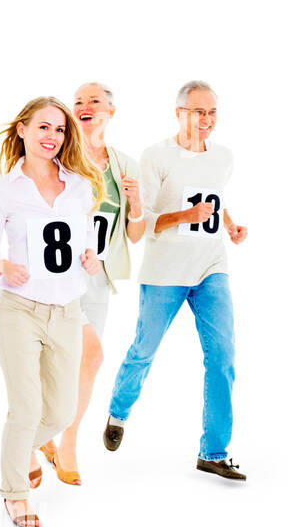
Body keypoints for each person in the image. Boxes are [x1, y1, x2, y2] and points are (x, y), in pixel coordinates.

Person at [103, 81, 247, 480]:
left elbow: (213, 198)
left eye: (212, 113)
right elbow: (143, 220)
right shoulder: (156, 156)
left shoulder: (224, 157)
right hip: (165, 273)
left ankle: (213, 452)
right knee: (143, 350)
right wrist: (185, 217)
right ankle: (118, 412)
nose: (207, 120)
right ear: (179, 113)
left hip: (210, 268)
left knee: (222, 357)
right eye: (198, 112)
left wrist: (231, 226)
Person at [0, 97, 103, 527]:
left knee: (62, 412)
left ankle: (19, 449)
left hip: (67, 309)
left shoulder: (79, 186)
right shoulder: (6, 189)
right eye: (44, 128)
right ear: (22, 131)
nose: (53, 137)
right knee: (26, 407)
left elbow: (86, 241)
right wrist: (1, 265)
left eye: (60, 130)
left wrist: (91, 257)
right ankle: (15, 493)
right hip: (20, 310)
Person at [35, 83, 145, 485]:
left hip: (98, 281)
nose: (84, 107)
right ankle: (52, 439)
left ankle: (58, 440)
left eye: (94, 101)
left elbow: (134, 236)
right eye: (78, 101)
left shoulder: (126, 165)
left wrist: (136, 205)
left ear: (111, 112)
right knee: (70, 360)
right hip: (59, 275)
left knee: (84, 363)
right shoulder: (59, 156)